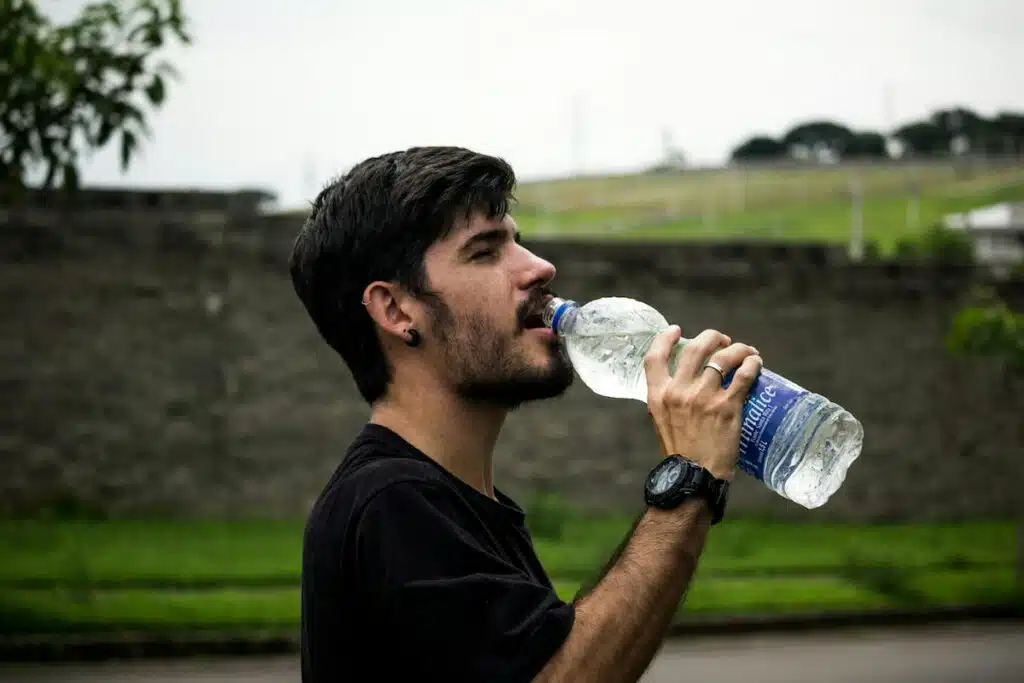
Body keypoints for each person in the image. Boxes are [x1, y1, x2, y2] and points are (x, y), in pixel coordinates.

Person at [289, 146, 763, 683]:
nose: (539, 267)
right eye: (486, 251)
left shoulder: (459, 504)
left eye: (516, 239)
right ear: (397, 310)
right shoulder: (392, 504)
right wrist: (690, 481)